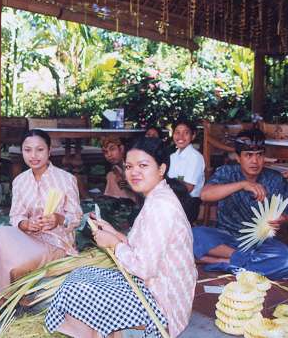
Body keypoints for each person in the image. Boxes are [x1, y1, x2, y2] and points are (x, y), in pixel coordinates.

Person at [45, 137, 196, 338]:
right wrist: (113, 232)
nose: (134, 172)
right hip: (153, 285)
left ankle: (110, 332)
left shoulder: (161, 207)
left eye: (143, 165)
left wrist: (115, 244)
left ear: (161, 169)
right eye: (129, 166)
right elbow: (143, 247)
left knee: (77, 291)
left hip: (161, 303)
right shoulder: (157, 196)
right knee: (79, 276)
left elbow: (144, 268)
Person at [0, 129, 83, 297]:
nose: (33, 155)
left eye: (40, 149)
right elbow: (16, 216)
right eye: (27, 150)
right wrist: (25, 224)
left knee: (17, 264)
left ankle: (4, 298)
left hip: (56, 243)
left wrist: (58, 219)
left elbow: (77, 217)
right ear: (22, 151)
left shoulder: (66, 179)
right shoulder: (20, 181)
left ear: (49, 151)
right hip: (29, 237)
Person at [193, 129, 288, 280]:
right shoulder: (227, 172)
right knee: (193, 235)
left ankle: (224, 263)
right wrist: (242, 184)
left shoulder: (275, 179)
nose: (255, 161)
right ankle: (242, 262)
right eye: (248, 155)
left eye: (259, 155)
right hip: (226, 237)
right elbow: (205, 194)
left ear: (264, 157)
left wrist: (280, 220)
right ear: (238, 157)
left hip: (261, 243)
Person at [167, 119, 205, 222]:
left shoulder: (195, 157)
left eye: (186, 133)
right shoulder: (173, 156)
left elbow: (188, 188)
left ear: (193, 136)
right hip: (173, 198)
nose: (181, 137)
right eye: (177, 132)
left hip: (188, 203)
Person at [101, 136, 139, 203]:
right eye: (105, 152)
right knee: (111, 175)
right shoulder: (117, 165)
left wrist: (126, 183)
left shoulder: (133, 163)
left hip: (139, 201)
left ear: (121, 149)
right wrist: (118, 175)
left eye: (112, 149)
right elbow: (115, 168)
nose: (109, 155)